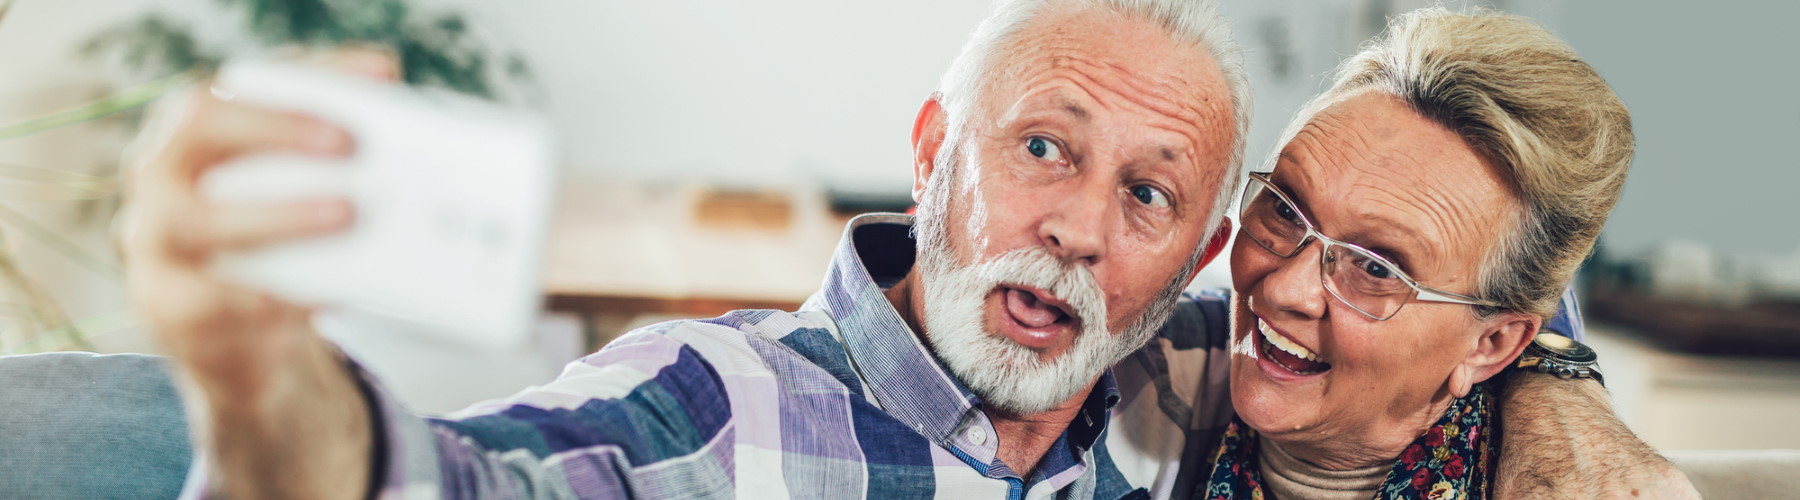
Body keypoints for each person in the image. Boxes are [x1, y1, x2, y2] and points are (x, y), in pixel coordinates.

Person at [106, 0, 1689, 498]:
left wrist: (1556, 382)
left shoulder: (1178, 379)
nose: (1077, 227)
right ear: (934, 155)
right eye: (1043, 146)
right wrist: (258, 384)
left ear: (1185, 250)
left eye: (1150, 198)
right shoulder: (716, 404)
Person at [1179, 8, 1688, 499]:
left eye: (1376, 267)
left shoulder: (1560, 483)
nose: (1283, 289)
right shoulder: (1161, 364)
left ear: (1489, 345)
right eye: (1288, 211)